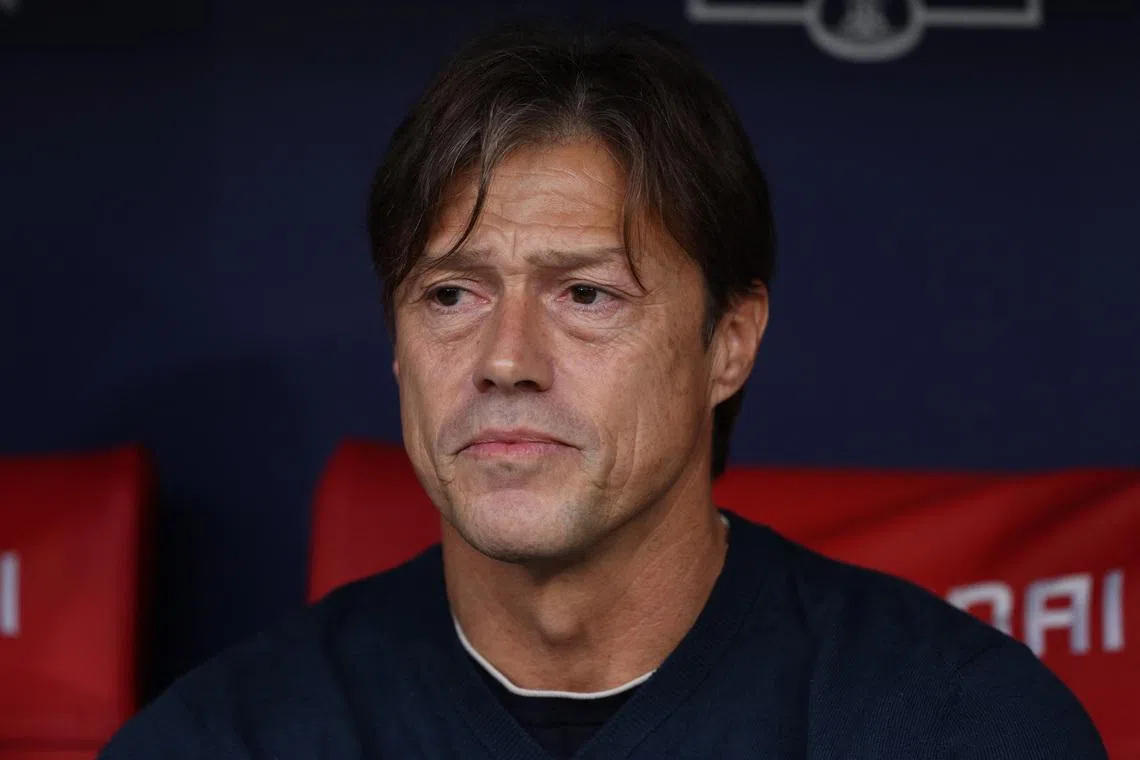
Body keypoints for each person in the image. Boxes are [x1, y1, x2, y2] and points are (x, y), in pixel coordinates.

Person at [99, 23, 1107, 760]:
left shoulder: (953, 725)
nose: (505, 358)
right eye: (451, 294)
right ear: (397, 344)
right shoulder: (224, 736)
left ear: (730, 342)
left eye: (586, 293)